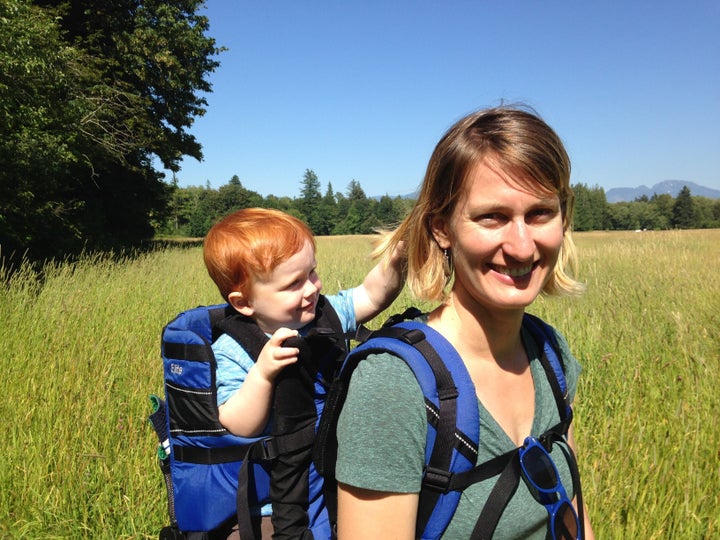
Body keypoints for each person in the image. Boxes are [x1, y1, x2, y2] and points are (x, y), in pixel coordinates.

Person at [335, 106, 596, 539]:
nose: (521, 246)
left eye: (539, 214)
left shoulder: (549, 353)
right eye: (491, 217)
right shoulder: (393, 386)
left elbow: (568, 504)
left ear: (563, 218)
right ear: (442, 229)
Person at [202, 207, 406, 538]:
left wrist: (399, 255)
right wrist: (263, 375)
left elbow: (372, 295)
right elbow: (238, 424)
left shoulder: (324, 314)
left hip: (328, 483)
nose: (311, 288)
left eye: (312, 272)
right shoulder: (233, 349)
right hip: (270, 505)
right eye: (293, 283)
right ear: (244, 303)